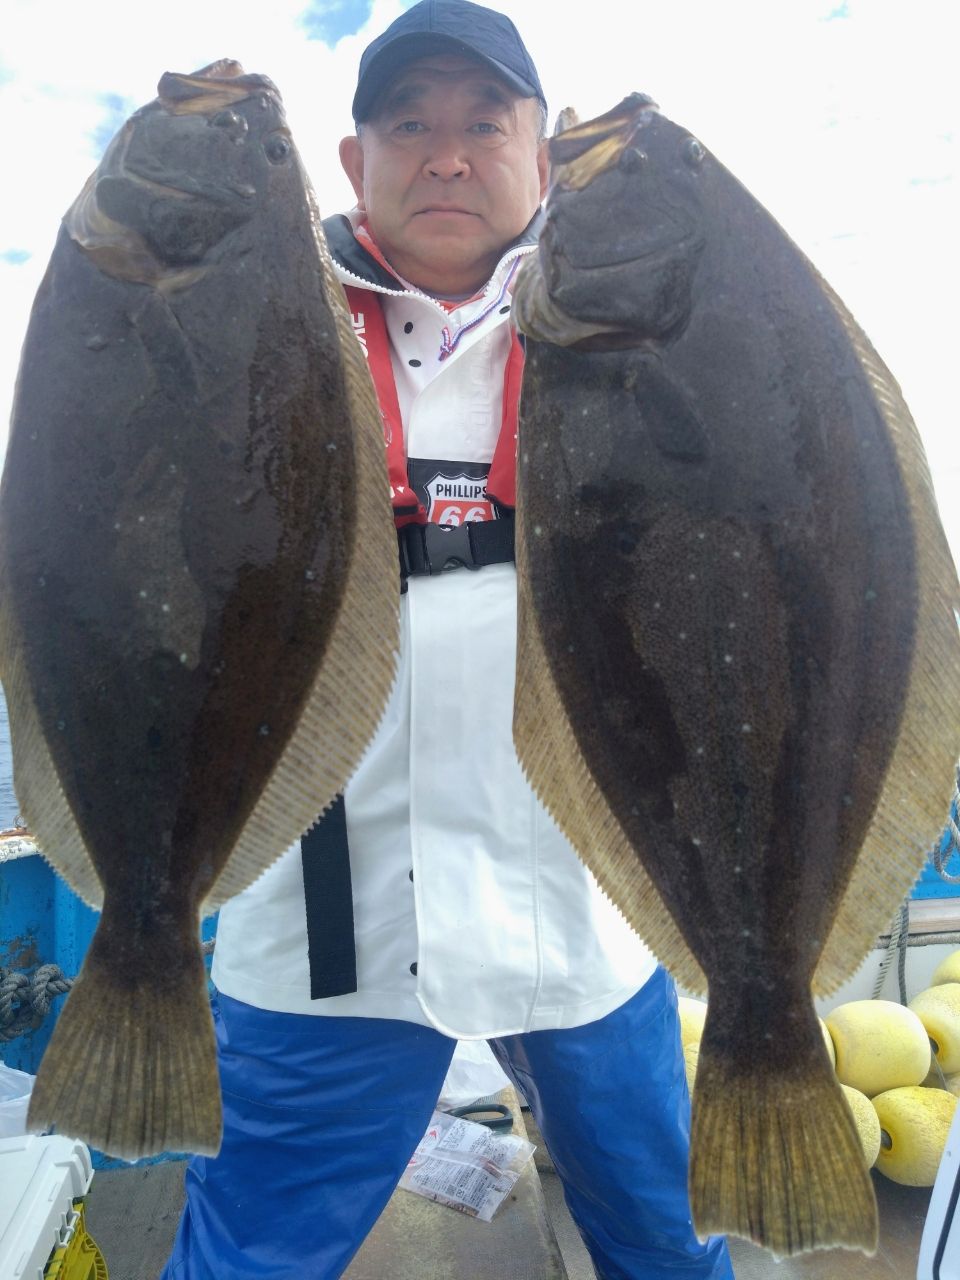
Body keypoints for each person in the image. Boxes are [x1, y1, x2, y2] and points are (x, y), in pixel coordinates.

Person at [162, 3, 734, 1277]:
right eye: (409, 123)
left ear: (539, 154)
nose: (450, 154)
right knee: (252, 1251)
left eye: (488, 122)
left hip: (587, 908)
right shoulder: (247, 321)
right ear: (354, 160)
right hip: (325, 928)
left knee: (668, 1239)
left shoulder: (654, 332)